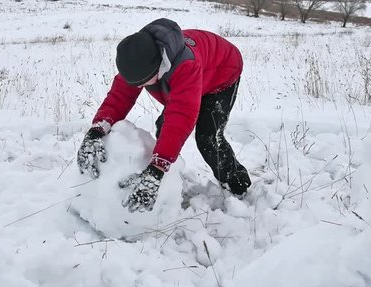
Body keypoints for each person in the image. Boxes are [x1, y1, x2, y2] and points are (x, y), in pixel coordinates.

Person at [77, 18, 251, 213]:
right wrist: (97, 129)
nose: (140, 88)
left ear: (157, 66)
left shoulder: (185, 66)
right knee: (164, 130)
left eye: (143, 83)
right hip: (194, 74)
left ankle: (237, 185)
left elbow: (181, 116)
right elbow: (119, 97)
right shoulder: (138, 59)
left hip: (222, 72)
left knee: (208, 138)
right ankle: (169, 183)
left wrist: (157, 169)